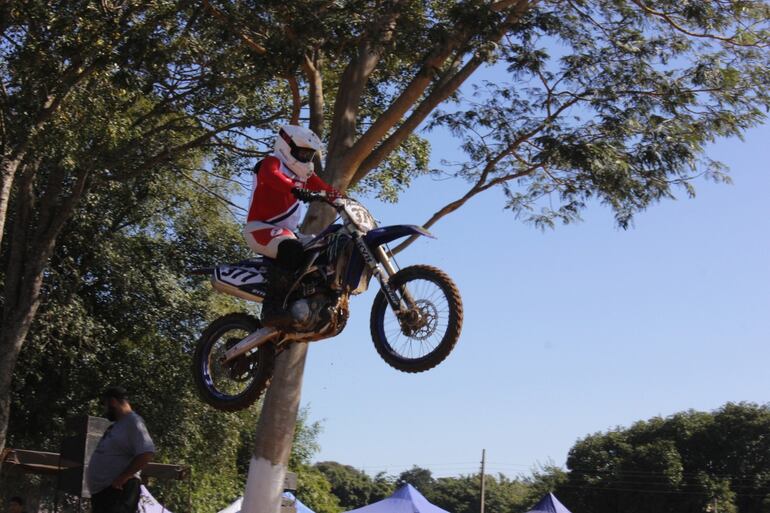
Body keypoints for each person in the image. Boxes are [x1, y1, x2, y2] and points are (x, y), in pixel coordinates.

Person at [244, 125, 341, 329]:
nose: (305, 157)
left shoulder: (304, 175)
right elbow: (272, 177)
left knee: (328, 246)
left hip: (287, 233)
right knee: (292, 249)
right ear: (286, 146)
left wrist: (346, 202)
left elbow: (326, 190)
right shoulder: (272, 162)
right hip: (259, 228)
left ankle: (316, 299)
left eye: (309, 154)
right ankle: (272, 310)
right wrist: (295, 188)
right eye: (302, 152)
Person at [86, 386, 155, 513]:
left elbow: (146, 453)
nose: (105, 410)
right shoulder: (117, 425)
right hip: (105, 494)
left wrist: (122, 478)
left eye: (105, 405)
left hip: (119, 493)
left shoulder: (133, 422)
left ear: (113, 402)